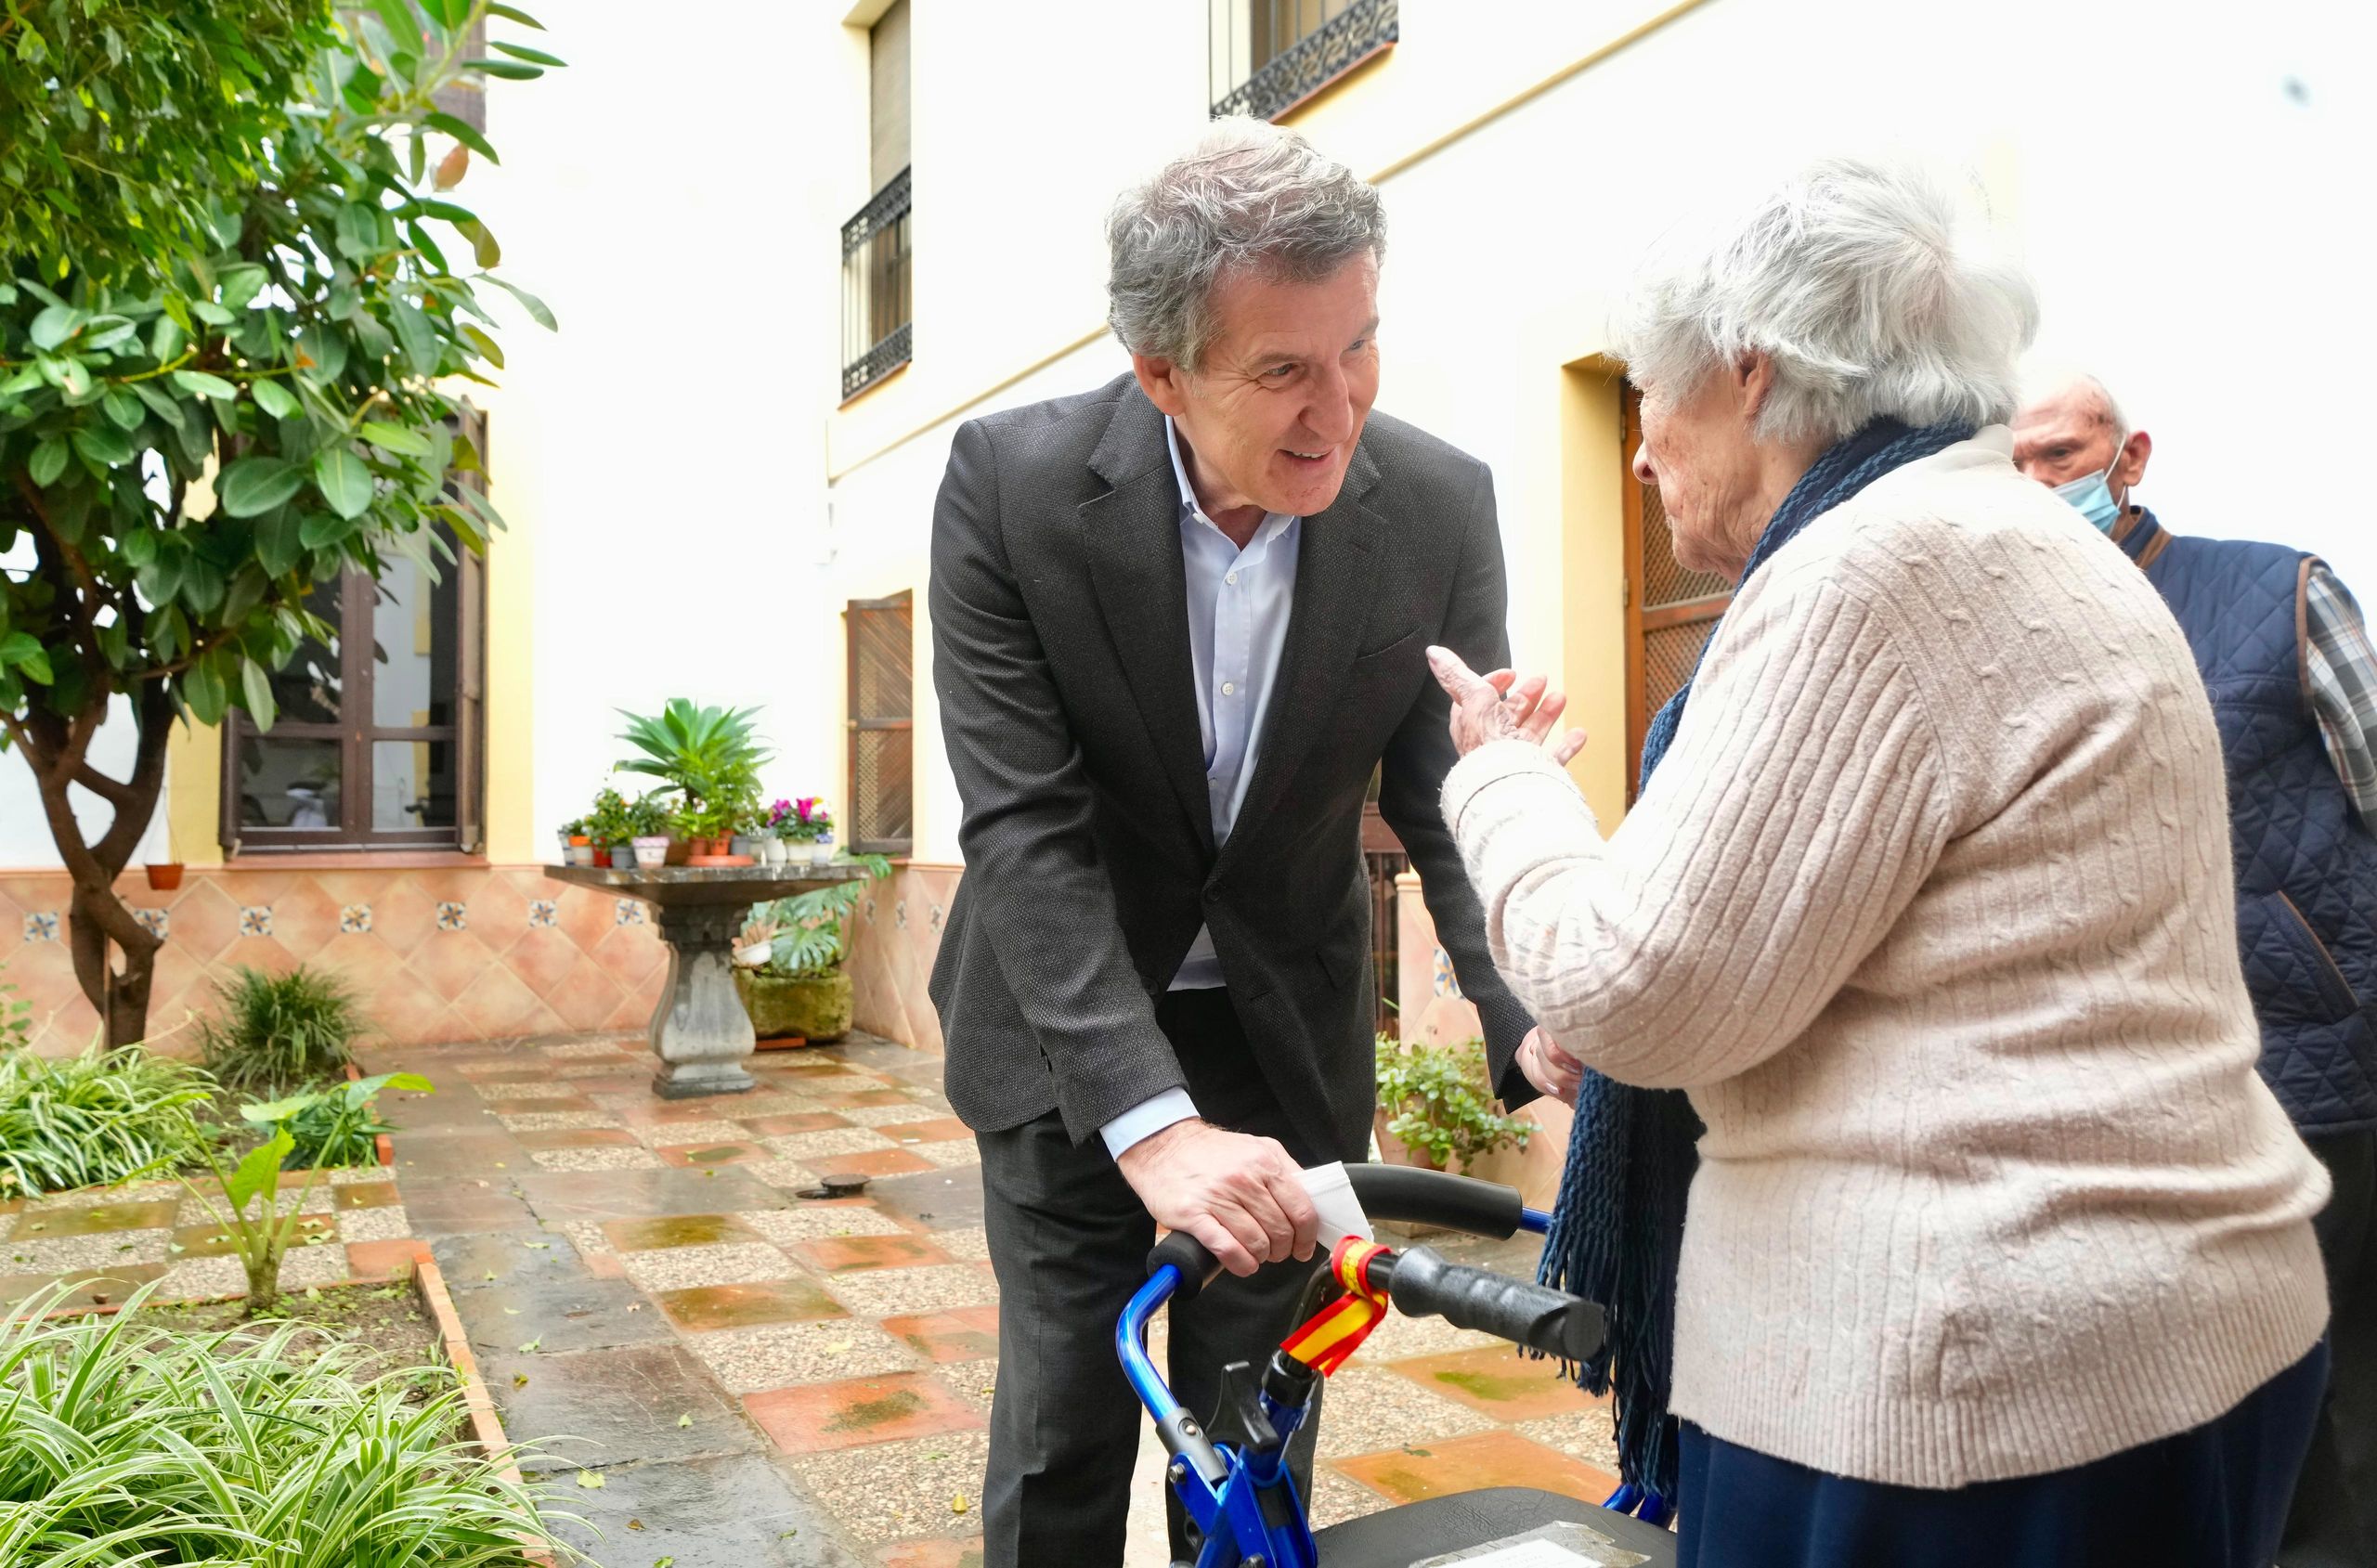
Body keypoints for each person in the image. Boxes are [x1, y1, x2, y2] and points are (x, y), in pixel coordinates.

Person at [1423, 159, 2332, 1568]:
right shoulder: (2015, 533)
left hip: (1977, 1392)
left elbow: (1633, 986)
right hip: (2142, 1343)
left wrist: (1502, 781)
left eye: (1646, 400)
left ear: (1749, 373)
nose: (1641, 452)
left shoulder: (1877, 567)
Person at [928, 118, 1553, 1567]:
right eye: (1282, 370)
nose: (1336, 409)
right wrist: (1151, 1130)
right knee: (1065, 1431)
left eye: (1361, 349)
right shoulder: (1010, 493)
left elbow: (1447, 794)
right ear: (1163, 373)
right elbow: (1028, 827)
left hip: (1286, 1046)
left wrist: (1535, 1018)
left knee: (1250, 1442)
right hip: (1071, 1047)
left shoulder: (1439, 502)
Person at [2014, 370, 2377, 1568]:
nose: (2037, 483)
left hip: (2312, 1065)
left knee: (2328, 1396)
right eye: (2014, 464)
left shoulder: (2279, 590)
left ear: (2131, 458)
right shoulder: (2023, 633)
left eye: (2061, 456)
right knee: (2190, 1400)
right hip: (2136, 1086)